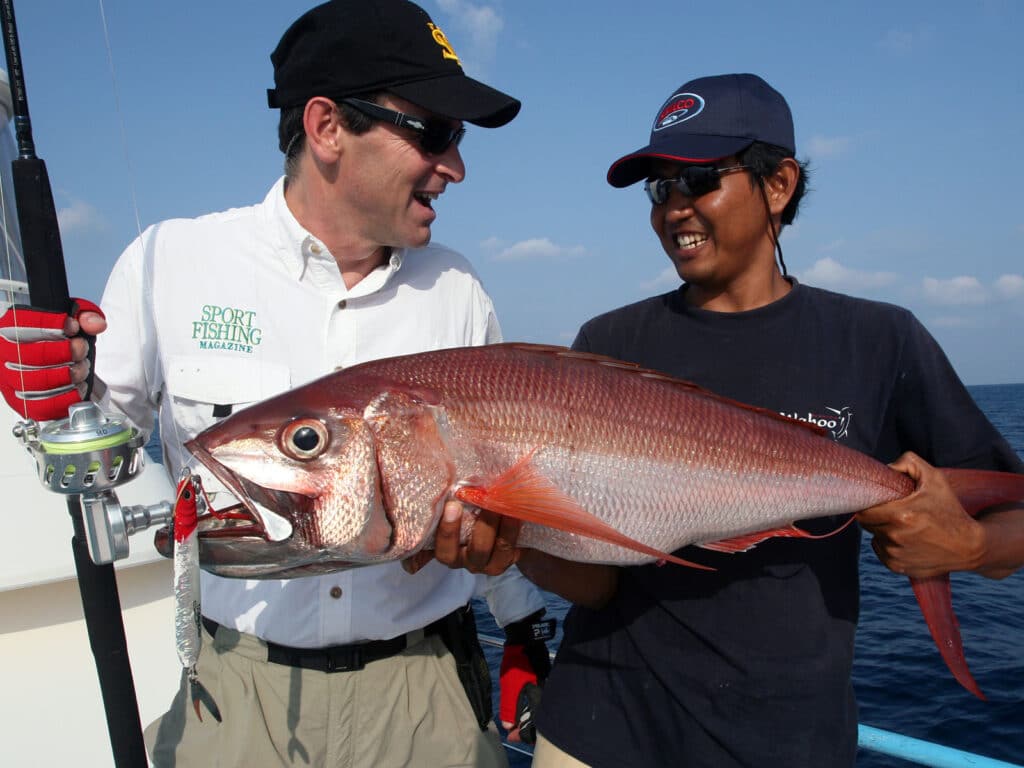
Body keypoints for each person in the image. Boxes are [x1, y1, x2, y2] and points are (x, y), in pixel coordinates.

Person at [0, 2, 552, 766]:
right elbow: (97, 443)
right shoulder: (171, 260)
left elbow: (489, 477)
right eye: (435, 133)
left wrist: (521, 625)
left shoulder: (457, 289)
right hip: (238, 694)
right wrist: (53, 389)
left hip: (424, 690)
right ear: (327, 128)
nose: (454, 166)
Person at [428, 73, 1024, 767]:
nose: (674, 209)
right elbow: (600, 581)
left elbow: (1013, 515)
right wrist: (517, 542)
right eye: (660, 190)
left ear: (779, 185)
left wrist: (972, 551)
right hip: (598, 729)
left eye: (700, 180)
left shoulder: (879, 338)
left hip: (787, 742)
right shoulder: (609, 345)